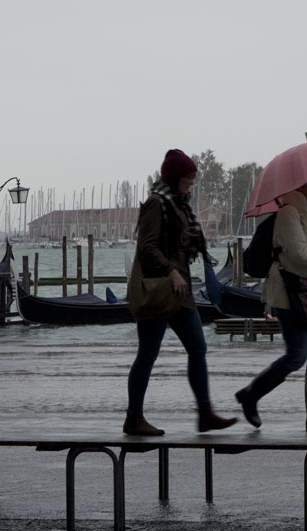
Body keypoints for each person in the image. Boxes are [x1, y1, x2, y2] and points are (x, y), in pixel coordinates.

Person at [123, 149, 237, 436]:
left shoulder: (181, 206)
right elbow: (147, 248)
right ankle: (134, 417)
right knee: (148, 353)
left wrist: (193, 249)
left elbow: (184, 242)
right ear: (176, 177)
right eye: (188, 177)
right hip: (159, 289)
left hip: (180, 290)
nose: (192, 182)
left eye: (193, 177)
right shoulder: (156, 204)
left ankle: (205, 414)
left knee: (198, 348)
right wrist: (171, 270)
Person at [235, 178, 307, 432]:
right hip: (288, 292)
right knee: (298, 354)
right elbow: (300, 255)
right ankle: (251, 394)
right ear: (300, 187)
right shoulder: (289, 213)